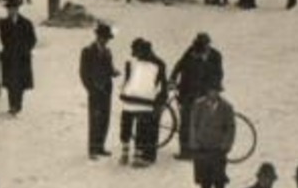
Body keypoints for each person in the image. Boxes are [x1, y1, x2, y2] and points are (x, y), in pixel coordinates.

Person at [170, 33, 225, 159]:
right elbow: (179, 65)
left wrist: (213, 89)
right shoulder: (191, 51)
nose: (197, 54)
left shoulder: (216, 56)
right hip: (187, 91)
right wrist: (172, 79)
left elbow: (218, 75)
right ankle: (185, 152)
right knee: (185, 123)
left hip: (204, 93)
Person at [189, 88, 237, 188]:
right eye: (210, 91)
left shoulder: (226, 107)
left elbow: (231, 128)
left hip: (217, 151)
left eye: (215, 91)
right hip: (202, 150)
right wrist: (194, 143)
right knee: (204, 181)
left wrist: (225, 145)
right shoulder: (198, 106)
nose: (212, 94)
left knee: (219, 181)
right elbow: (193, 125)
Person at [119, 37, 168, 167]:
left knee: (146, 127)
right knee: (129, 125)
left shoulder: (158, 64)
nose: (137, 57)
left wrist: (159, 101)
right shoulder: (137, 63)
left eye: (138, 54)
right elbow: (129, 80)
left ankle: (146, 156)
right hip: (135, 99)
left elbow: (162, 85)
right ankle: (130, 152)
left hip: (148, 101)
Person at [78, 23, 116, 160]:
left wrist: (114, 72)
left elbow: (110, 69)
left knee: (105, 119)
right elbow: (83, 73)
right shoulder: (87, 51)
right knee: (94, 119)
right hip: (94, 90)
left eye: (107, 38)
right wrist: (90, 88)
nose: (105, 40)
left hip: (106, 89)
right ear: (98, 37)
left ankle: (100, 147)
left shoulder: (107, 52)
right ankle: (92, 149)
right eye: (103, 38)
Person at [0, 0, 37, 117]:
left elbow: (33, 39)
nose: (11, 11)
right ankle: (12, 105)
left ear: (17, 9)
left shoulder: (26, 23)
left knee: (20, 83)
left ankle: (18, 104)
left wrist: (25, 49)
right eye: (9, 9)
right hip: (9, 57)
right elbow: (1, 39)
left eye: (13, 9)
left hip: (22, 57)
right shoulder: (3, 23)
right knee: (10, 83)